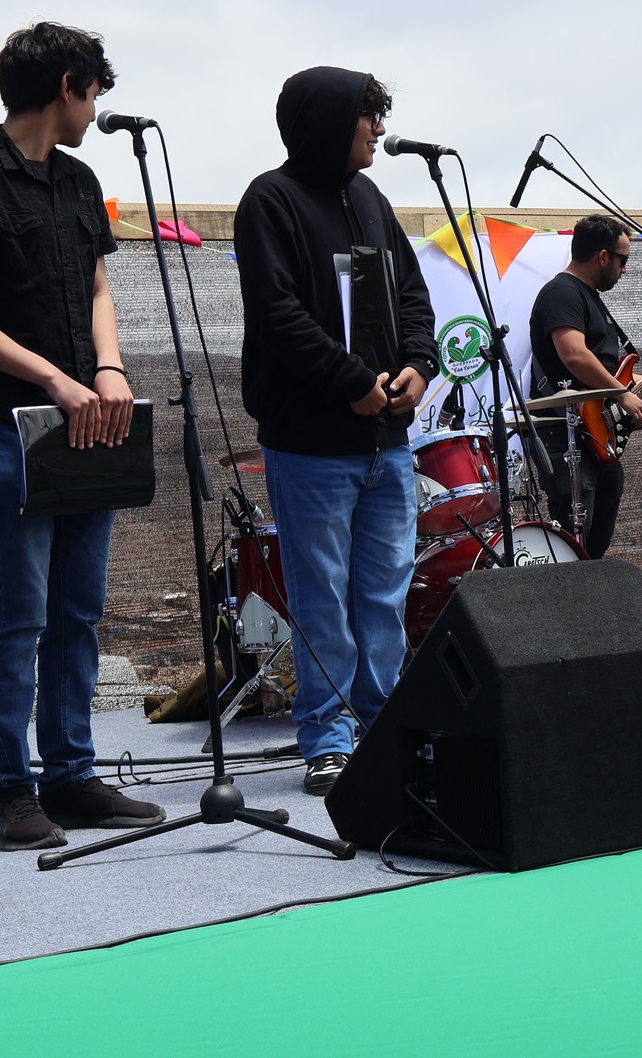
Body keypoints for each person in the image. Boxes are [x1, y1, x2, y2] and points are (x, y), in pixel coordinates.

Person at [0, 22, 165, 850]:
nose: (98, 108)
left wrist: (108, 369)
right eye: (95, 90)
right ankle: (6, 790)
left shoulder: (82, 180)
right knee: (19, 610)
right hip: (6, 424)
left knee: (78, 608)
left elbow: (99, 286)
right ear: (68, 84)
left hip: (89, 421)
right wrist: (53, 380)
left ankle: (70, 773)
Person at [235, 67, 439, 795]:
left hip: (386, 441)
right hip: (312, 442)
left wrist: (420, 361)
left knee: (384, 595)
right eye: (368, 116)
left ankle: (381, 724)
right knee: (323, 597)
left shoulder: (371, 198)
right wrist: (351, 382)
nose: (379, 129)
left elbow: (412, 294)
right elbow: (278, 313)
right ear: (329, 122)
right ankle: (327, 736)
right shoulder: (270, 200)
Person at [526, 215, 642, 558]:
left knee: (595, 544)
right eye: (623, 259)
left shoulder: (589, 297)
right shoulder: (562, 292)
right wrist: (622, 393)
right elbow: (575, 356)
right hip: (566, 435)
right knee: (573, 543)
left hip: (594, 436)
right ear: (603, 256)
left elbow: (607, 374)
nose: (624, 270)